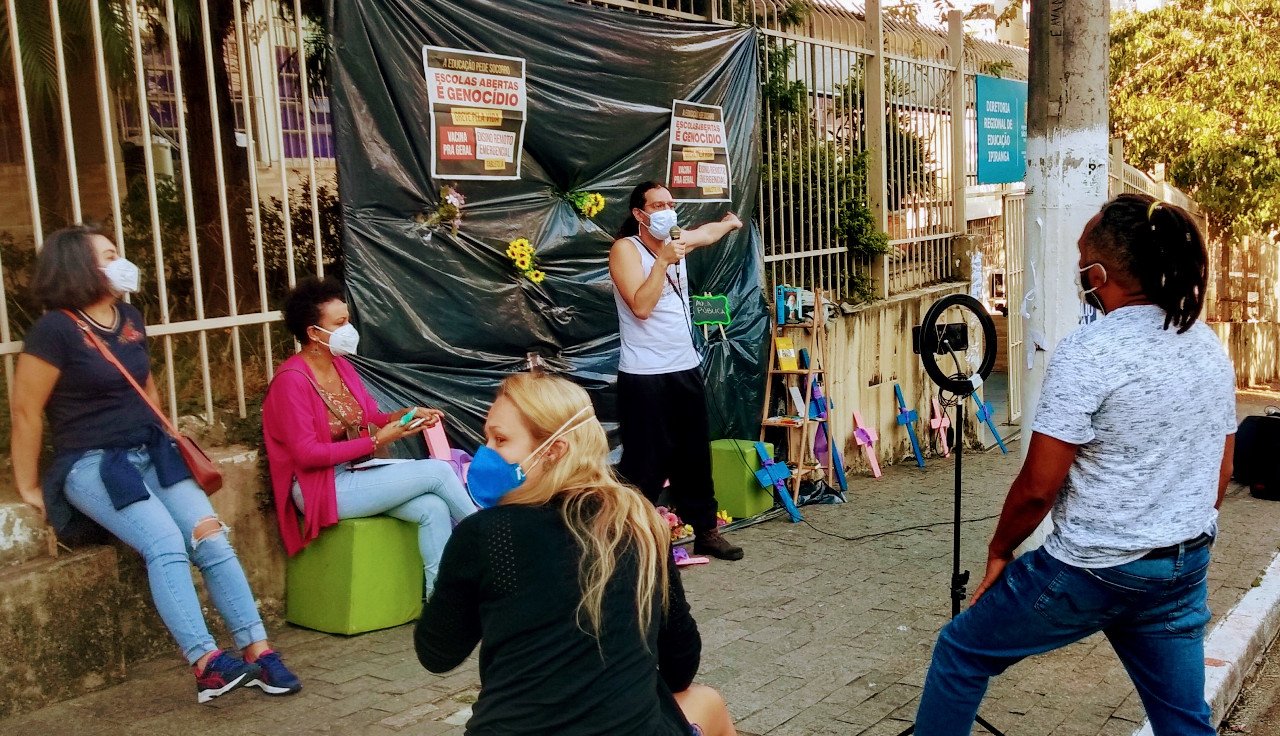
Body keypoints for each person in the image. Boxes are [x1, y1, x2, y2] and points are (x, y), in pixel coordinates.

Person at [913, 193, 1237, 735]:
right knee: (1183, 720)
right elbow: (1221, 475)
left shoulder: (1089, 351)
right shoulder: (1205, 346)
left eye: (1082, 260)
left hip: (1093, 568)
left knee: (961, 651)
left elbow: (1039, 487)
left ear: (1100, 272)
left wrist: (999, 550)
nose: (1079, 272)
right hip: (1181, 566)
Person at [9, 226, 301, 703]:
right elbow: (25, 412)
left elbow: (143, 383)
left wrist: (165, 429)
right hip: (93, 463)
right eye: (108, 254)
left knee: (210, 534)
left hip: (151, 451)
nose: (120, 260)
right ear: (80, 267)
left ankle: (258, 649)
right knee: (164, 543)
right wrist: (28, 485)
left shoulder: (128, 316)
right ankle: (206, 663)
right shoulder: (55, 330)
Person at [415, 373, 738, 736]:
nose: (485, 452)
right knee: (706, 701)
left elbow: (436, 654)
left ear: (553, 450)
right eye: (487, 437)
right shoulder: (640, 525)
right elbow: (681, 666)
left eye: (501, 439)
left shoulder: (484, 534)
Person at [262, 277, 476, 596]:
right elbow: (307, 455)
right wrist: (377, 441)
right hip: (319, 486)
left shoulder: (341, 366)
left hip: (358, 473)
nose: (350, 328)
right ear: (313, 334)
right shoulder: (291, 380)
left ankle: (440, 602)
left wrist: (406, 415)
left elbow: (370, 417)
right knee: (439, 471)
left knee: (432, 507)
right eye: (341, 322)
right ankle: (497, 545)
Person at [608, 181, 745, 561]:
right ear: (639, 214)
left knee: (694, 455)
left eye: (671, 203)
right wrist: (664, 260)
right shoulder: (626, 250)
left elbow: (706, 233)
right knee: (645, 459)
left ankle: (706, 531)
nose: (668, 210)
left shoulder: (676, 237)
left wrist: (729, 224)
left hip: (684, 366)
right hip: (644, 374)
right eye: (658, 205)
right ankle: (632, 540)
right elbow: (640, 306)